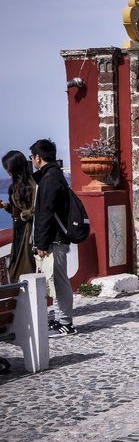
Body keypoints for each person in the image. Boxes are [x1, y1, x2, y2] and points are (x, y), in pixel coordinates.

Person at [29, 139, 76, 337]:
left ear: (38, 157)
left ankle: (66, 323)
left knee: (59, 280)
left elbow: (46, 212)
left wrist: (41, 242)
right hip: (55, 238)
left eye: (32, 156)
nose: (31, 160)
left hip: (55, 239)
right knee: (55, 280)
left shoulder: (49, 178)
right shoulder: (53, 175)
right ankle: (59, 319)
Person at [1, 151, 37, 283]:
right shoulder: (15, 186)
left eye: (8, 168)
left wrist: (23, 214)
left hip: (28, 232)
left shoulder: (32, 185)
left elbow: (36, 208)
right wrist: (6, 206)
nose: (7, 171)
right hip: (19, 229)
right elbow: (18, 209)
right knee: (16, 264)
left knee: (25, 266)